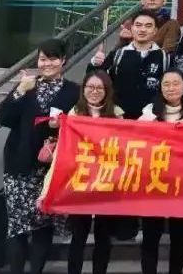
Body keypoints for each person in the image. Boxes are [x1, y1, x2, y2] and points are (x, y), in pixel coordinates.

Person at [0, 39, 79, 274]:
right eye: (43, 59)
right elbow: (3, 117)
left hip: (52, 170)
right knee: (17, 227)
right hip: (19, 165)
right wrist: (20, 91)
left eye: (53, 59)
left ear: (63, 61)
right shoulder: (27, 86)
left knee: (44, 226)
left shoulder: (74, 91)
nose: (47, 64)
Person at [138, 69, 183, 274]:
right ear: (160, 88)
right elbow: (136, 139)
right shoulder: (150, 112)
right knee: (150, 236)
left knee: (179, 238)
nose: (171, 88)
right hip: (155, 183)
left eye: (176, 83)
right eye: (166, 84)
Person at [63, 71, 123, 274]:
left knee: (103, 237)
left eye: (100, 88)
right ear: (84, 89)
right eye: (90, 87)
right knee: (78, 236)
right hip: (80, 181)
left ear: (107, 91)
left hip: (107, 181)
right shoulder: (74, 113)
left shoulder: (117, 114)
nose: (94, 91)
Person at [90, 10, 172, 119]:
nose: (142, 29)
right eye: (138, 25)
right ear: (132, 28)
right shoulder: (118, 54)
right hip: (118, 118)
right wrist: (95, 63)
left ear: (155, 31)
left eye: (148, 26)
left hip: (151, 121)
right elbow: (97, 80)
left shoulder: (164, 58)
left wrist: (154, 112)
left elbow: (168, 90)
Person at [114, 0, 180, 53]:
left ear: (164, 1)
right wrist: (123, 40)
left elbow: (168, 53)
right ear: (142, 0)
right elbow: (116, 54)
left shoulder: (171, 24)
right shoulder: (130, 23)